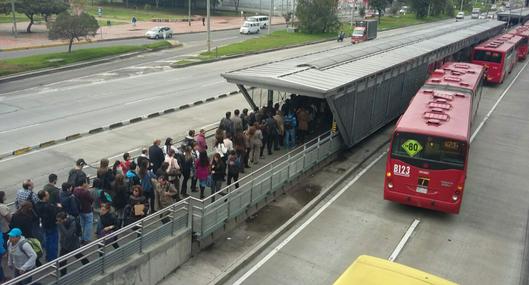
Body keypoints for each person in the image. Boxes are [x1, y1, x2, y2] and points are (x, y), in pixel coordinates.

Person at [56, 212, 88, 276]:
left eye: (59, 220)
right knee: (62, 261)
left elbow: (68, 235)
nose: (58, 222)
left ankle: (87, 264)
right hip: (65, 244)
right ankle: (63, 275)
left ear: (65, 219)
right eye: (57, 220)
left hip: (73, 244)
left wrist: (60, 225)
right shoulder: (63, 222)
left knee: (78, 255)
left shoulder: (73, 223)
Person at [34, 190, 60, 262]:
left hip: (44, 225)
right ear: (44, 197)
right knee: (53, 242)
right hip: (51, 225)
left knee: (47, 241)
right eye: (47, 195)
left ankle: (48, 256)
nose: (49, 196)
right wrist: (58, 207)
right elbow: (55, 214)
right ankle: (53, 259)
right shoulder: (48, 206)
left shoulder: (37, 205)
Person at [73, 179, 94, 244]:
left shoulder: (75, 190)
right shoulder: (85, 192)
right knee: (88, 224)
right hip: (87, 210)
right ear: (83, 184)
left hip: (80, 210)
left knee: (82, 224)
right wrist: (87, 189)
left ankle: (81, 238)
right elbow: (91, 199)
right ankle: (86, 239)